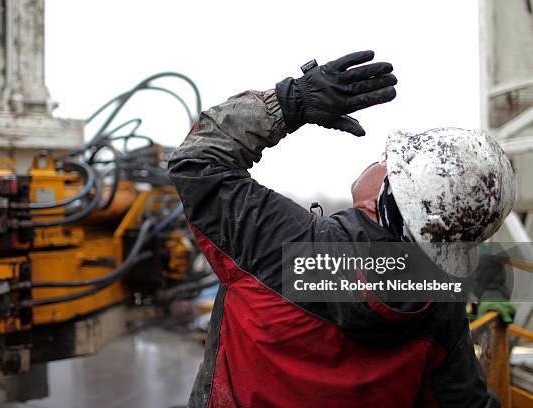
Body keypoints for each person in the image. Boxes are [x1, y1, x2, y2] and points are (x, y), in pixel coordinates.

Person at [168, 51, 514, 407]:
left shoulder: (279, 242)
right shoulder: (439, 304)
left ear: (388, 195)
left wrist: (291, 102)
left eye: (389, 161)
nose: (379, 162)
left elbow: (197, 161)